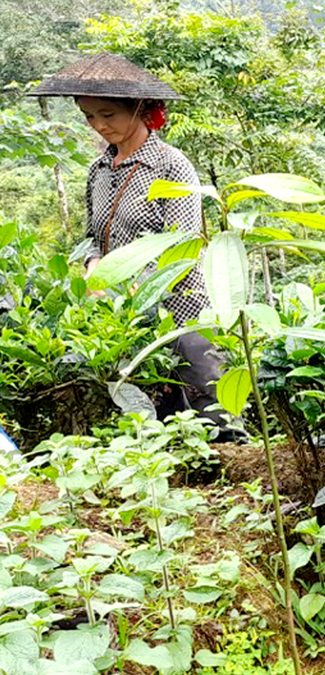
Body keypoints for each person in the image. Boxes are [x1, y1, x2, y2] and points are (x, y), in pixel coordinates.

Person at [29, 53, 239, 440]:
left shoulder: (170, 165)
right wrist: (93, 263)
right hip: (124, 315)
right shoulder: (98, 171)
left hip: (182, 308)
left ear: (140, 108)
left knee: (213, 411)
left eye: (107, 114)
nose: (98, 125)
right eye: (89, 116)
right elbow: (92, 233)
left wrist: (138, 280)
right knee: (152, 415)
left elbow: (184, 240)